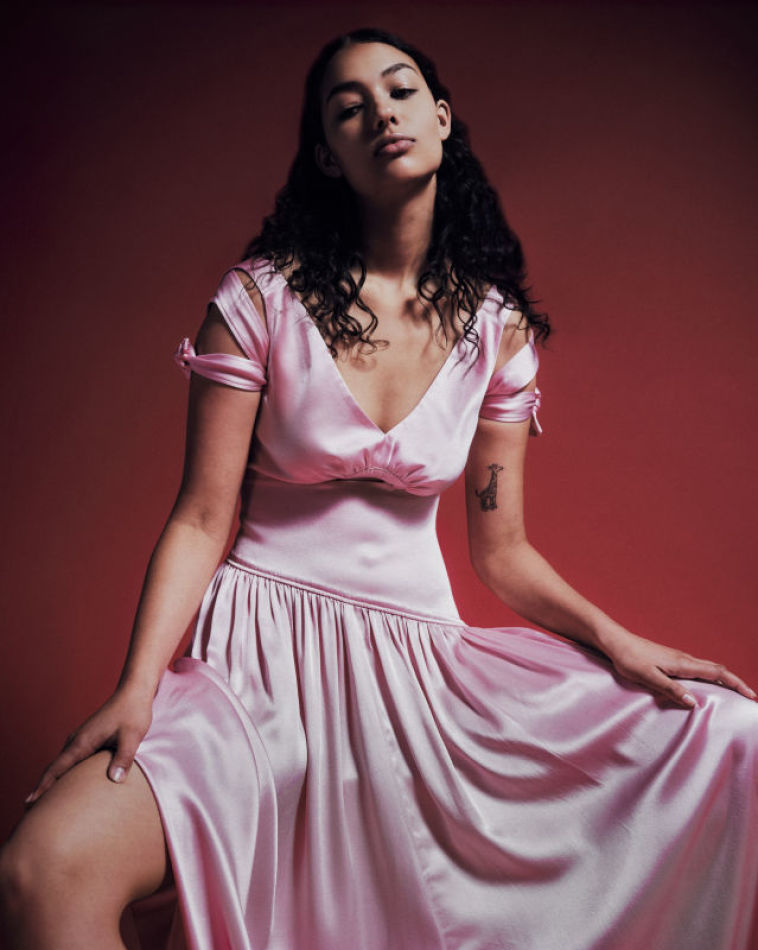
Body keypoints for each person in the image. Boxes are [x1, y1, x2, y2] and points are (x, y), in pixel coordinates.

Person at [1, 25, 757, 950]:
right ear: (328, 153)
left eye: (399, 92)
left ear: (440, 118)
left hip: (421, 688)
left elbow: (503, 551)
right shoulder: (260, 302)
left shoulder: (497, 334)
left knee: (734, 734)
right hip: (254, 672)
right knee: (46, 870)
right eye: (349, 107)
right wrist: (137, 687)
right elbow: (200, 518)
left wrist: (618, 641)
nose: (381, 115)